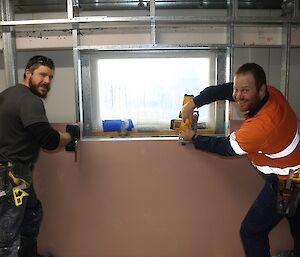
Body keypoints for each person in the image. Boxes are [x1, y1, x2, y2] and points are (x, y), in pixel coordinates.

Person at [179, 63, 300, 257]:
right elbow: (224, 90)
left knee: (251, 231)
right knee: (295, 218)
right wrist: (193, 103)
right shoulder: (271, 94)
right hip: (294, 170)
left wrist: (193, 138)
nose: (238, 95)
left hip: (289, 180)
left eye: (245, 90)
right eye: (237, 89)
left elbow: (225, 147)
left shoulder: (261, 126)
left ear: (261, 90)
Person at [0, 55, 80, 257]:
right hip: (11, 173)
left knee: (31, 214)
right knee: (8, 235)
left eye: (51, 77)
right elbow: (49, 140)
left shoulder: (7, 95)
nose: (47, 81)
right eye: (42, 75)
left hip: (14, 172)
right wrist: (70, 135)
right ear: (28, 73)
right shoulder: (29, 100)